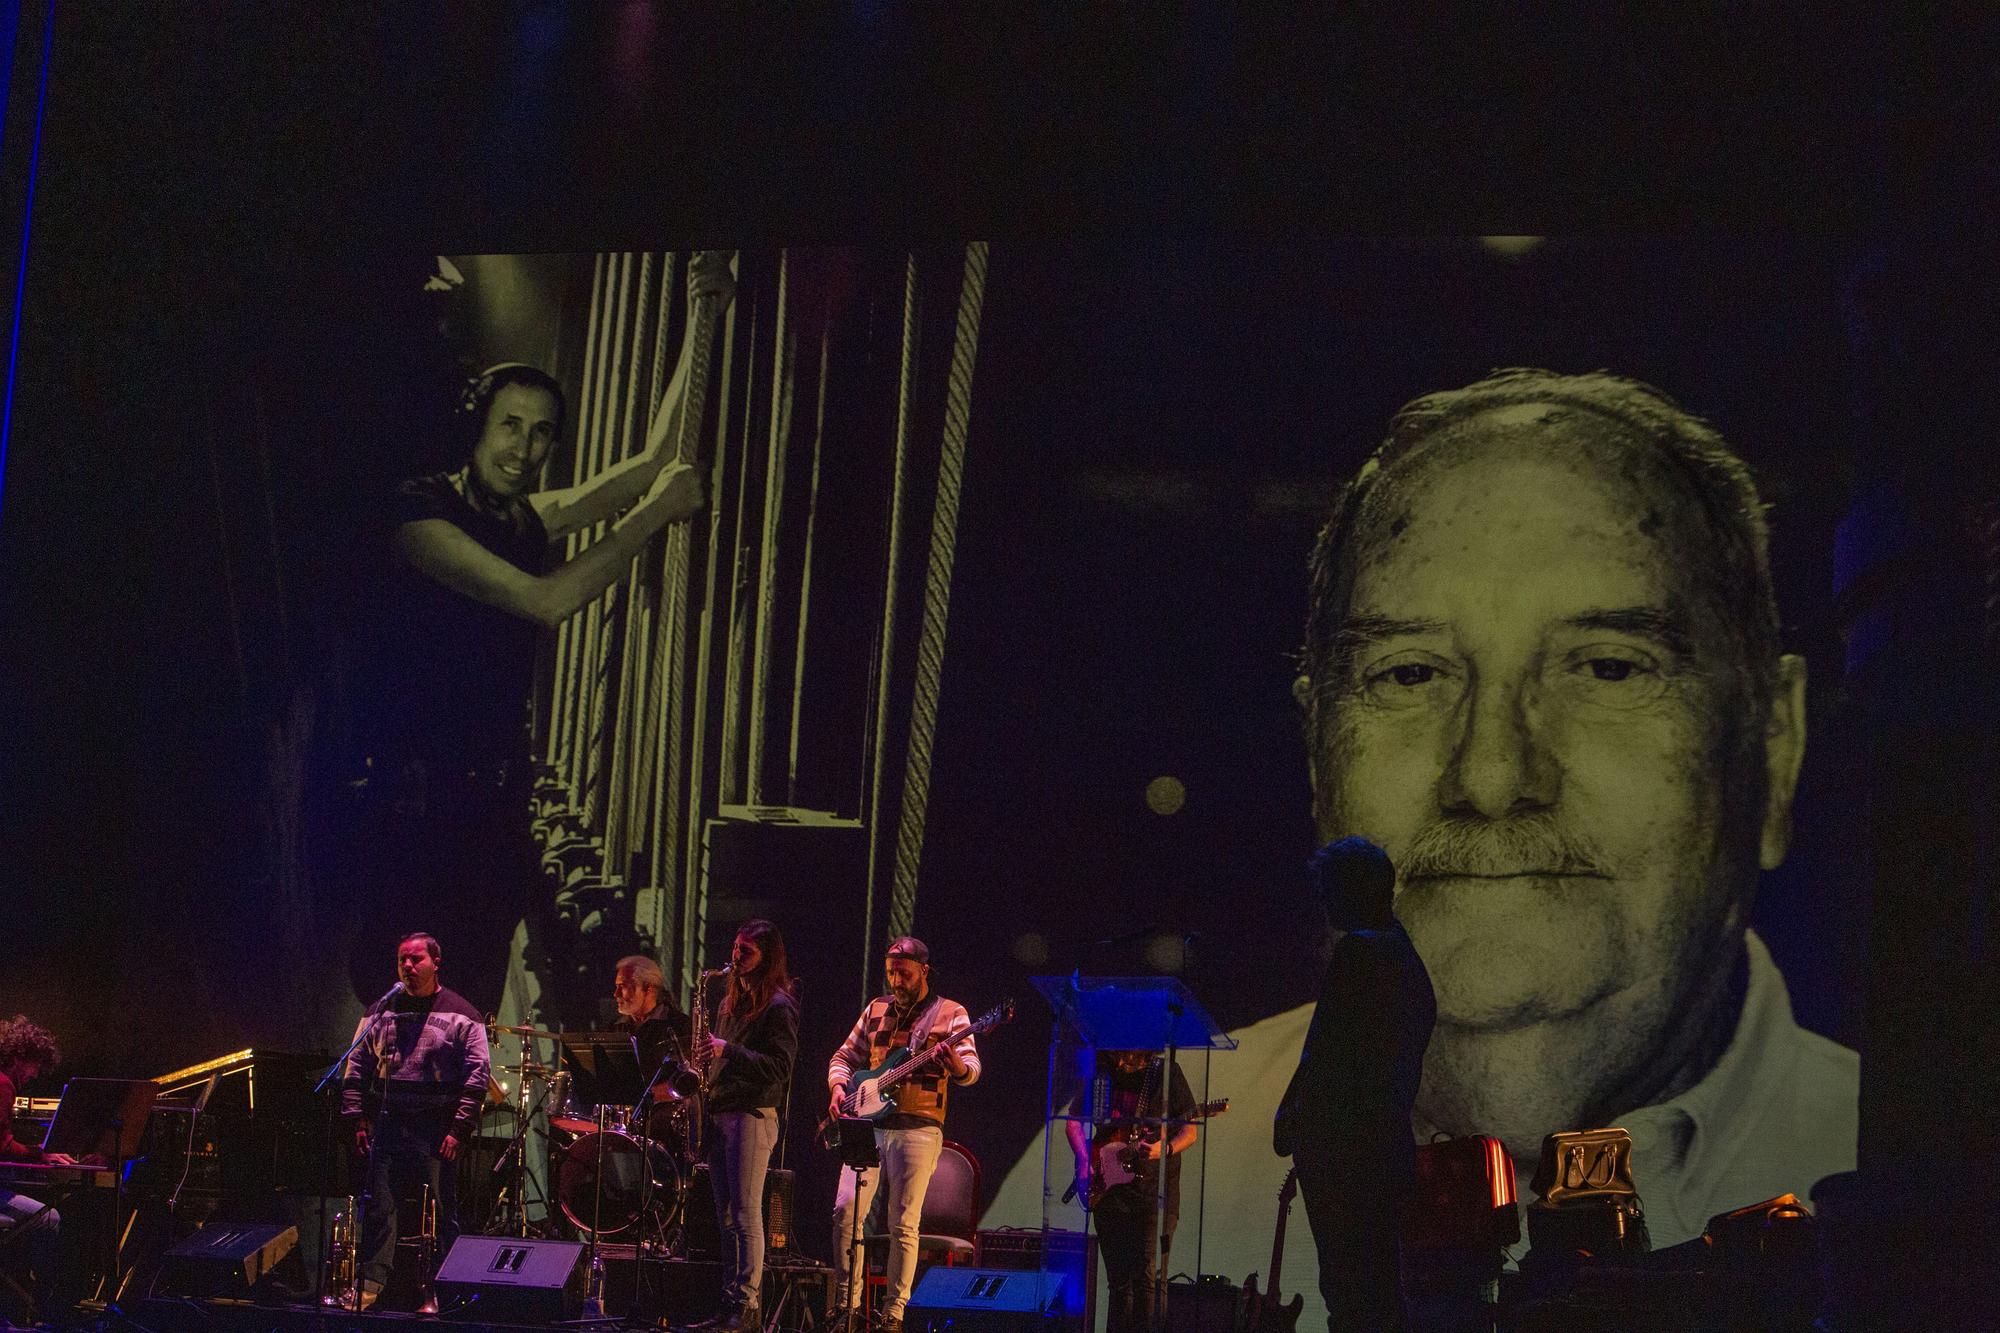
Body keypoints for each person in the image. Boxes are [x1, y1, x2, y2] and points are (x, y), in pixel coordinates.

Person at [987, 368, 1859, 1322]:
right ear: (1317, 756)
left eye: (1608, 666)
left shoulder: (1907, 1166)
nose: (1489, 776)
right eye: (1409, 673)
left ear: (1775, 747)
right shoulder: (1155, 1139)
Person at [351, 251, 735, 999]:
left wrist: (702, 318)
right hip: (414, 809)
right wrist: (653, 514)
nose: (523, 450)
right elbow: (544, 600)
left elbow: (653, 458)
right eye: (510, 427)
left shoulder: (526, 514)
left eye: (540, 434)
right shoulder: (419, 516)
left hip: (492, 807)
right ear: (475, 427)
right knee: (402, 1006)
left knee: (470, 1003)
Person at [1274, 838, 1435, 1332]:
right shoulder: (1402, 955)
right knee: (1376, 1292)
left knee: (1352, 1296)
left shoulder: (1361, 954)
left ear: (1351, 890)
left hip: (1348, 1154)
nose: (1324, 903)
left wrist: (1295, 1121)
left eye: (1329, 889)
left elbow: (1329, 1057)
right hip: (1377, 1152)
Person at [828, 937, 982, 1333]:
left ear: (924, 970)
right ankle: (847, 1304)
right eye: (891, 972)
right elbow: (844, 1056)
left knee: (903, 1222)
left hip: (919, 1126)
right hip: (870, 1125)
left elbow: (971, 1068)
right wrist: (838, 1089)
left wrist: (957, 1067)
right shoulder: (876, 1009)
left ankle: (893, 1314)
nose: (896, 980)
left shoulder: (951, 1013)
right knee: (846, 1210)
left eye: (905, 973)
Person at [340, 933, 491, 1310]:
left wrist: (459, 1129)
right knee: (379, 1206)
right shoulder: (380, 1010)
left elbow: (477, 1075)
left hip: (436, 1126)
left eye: (416, 959)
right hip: (388, 1121)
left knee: (441, 1208)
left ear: (436, 962)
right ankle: (372, 1282)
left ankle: (443, 1287)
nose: (408, 966)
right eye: (402, 960)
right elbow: (355, 1065)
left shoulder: (462, 1014)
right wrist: (356, 1118)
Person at [693, 921, 800, 1333]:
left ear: (767, 958)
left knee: (744, 1212)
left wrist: (728, 1051)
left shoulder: (779, 1006)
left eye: (747, 952)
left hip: (753, 1116)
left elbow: (779, 1068)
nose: (736, 957)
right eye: (736, 948)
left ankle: (747, 1303)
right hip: (723, 1112)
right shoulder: (730, 1003)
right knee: (725, 1215)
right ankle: (728, 1301)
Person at [1066, 1050, 1199, 1333]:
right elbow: (1074, 1121)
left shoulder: (1165, 1074)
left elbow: (1189, 1132)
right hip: (1109, 1190)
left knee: (1146, 1280)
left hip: (1153, 1192)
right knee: (1118, 1283)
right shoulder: (1101, 1069)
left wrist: (1164, 1149)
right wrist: (1084, 1160)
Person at [0, 1017, 73, 1321]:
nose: (35, 1074)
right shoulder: (3, 1085)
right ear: (18, 1056)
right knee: (50, 1218)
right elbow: (2, 1146)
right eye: (35, 1065)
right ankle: (39, 1308)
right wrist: (40, 1156)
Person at [612, 954, 692, 1137]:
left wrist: (651, 1095)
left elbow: (690, 1082)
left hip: (663, 1128)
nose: (615, 994)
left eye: (622, 987)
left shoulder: (680, 1026)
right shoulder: (616, 1027)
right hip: (620, 1125)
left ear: (648, 989)